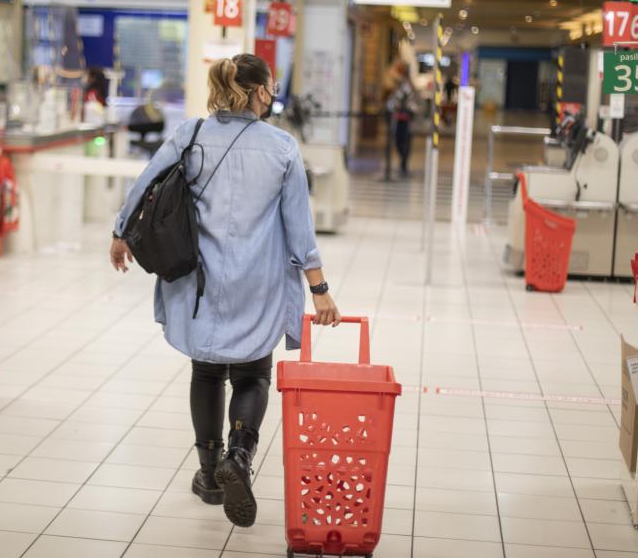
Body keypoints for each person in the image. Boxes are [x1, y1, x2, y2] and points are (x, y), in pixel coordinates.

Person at [109, 54, 341, 528]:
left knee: (208, 371)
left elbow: (144, 184)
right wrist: (320, 289)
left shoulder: (190, 135)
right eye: (270, 87)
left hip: (201, 279)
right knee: (253, 373)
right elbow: (300, 228)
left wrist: (119, 233)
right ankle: (239, 453)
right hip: (258, 279)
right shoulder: (281, 147)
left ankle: (210, 476)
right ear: (259, 93)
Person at [384, 62, 419, 178]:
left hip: (407, 120)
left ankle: (404, 164)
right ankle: (403, 162)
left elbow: (413, 104)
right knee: (399, 141)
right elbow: (393, 101)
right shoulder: (399, 86)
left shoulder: (408, 87)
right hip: (399, 119)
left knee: (405, 142)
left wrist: (407, 107)